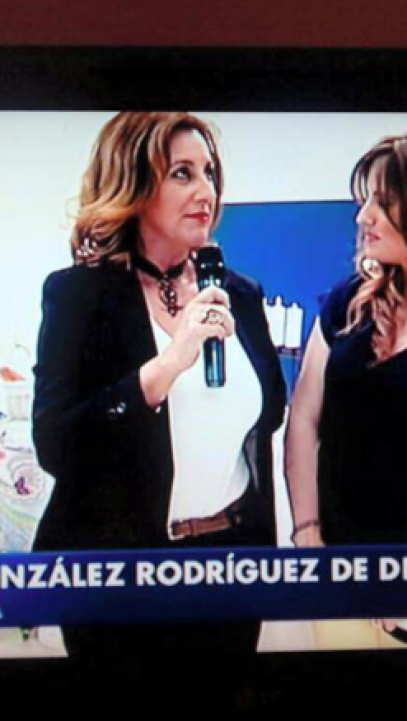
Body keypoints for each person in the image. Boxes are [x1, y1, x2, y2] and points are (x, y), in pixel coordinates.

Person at [32, 112, 286, 688]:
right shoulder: (80, 296)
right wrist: (167, 366)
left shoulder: (240, 294)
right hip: (122, 577)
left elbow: (266, 417)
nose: (206, 191)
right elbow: (56, 444)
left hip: (228, 571)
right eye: (182, 173)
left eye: (209, 173)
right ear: (135, 186)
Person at [286, 134, 407, 647]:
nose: (363, 217)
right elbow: (303, 419)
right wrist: (308, 535)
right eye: (364, 202)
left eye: (382, 202)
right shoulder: (346, 304)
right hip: (341, 579)